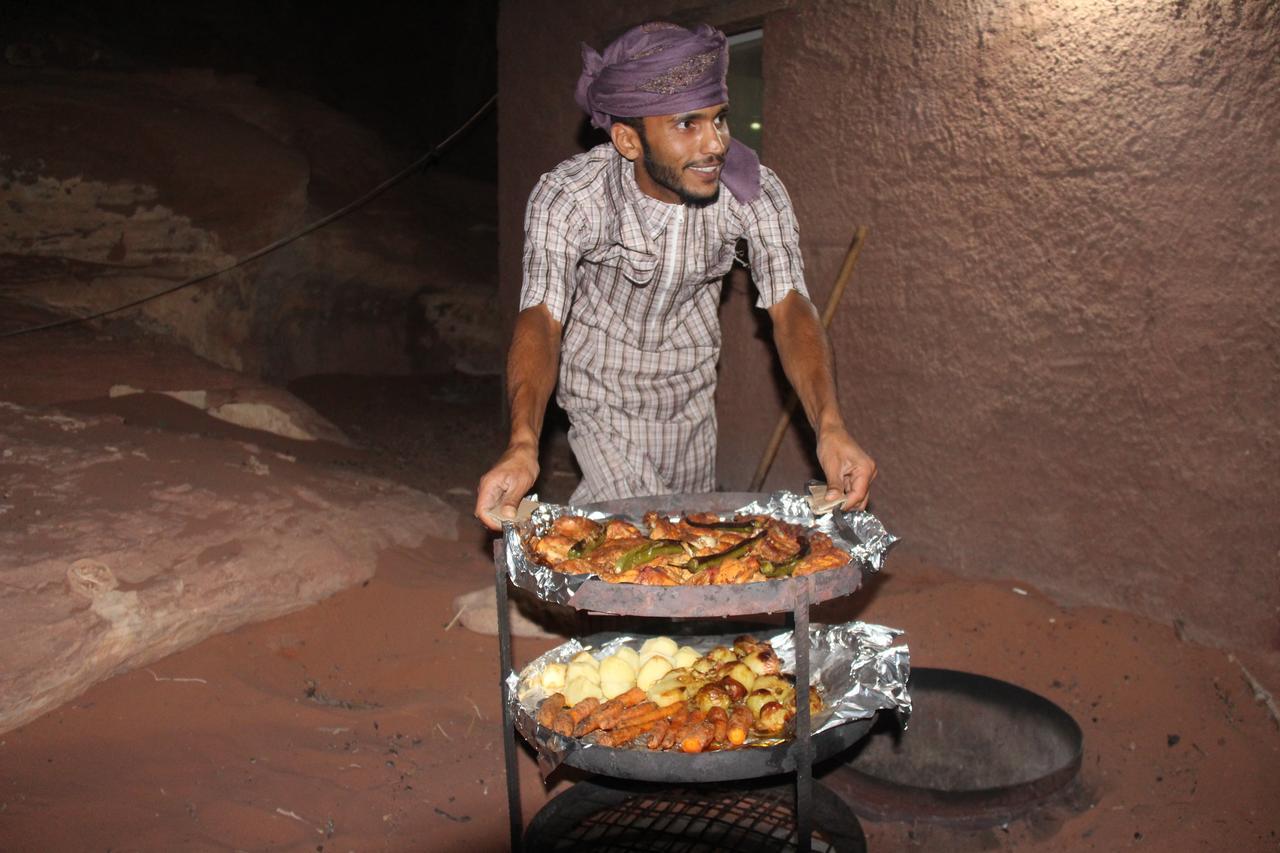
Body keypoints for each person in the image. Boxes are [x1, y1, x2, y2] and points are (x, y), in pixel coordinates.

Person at [476, 21, 875, 530]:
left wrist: (830, 427)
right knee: (642, 536)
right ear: (628, 140)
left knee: (685, 537)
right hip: (602, 395)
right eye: (688, 124)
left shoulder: (753, 193)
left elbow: (790, 306)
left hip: (691, 397)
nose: (716, 143)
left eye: (720, 119)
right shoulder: (571, 198)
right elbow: (542, 319)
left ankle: (569, 599)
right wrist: (524, 442)